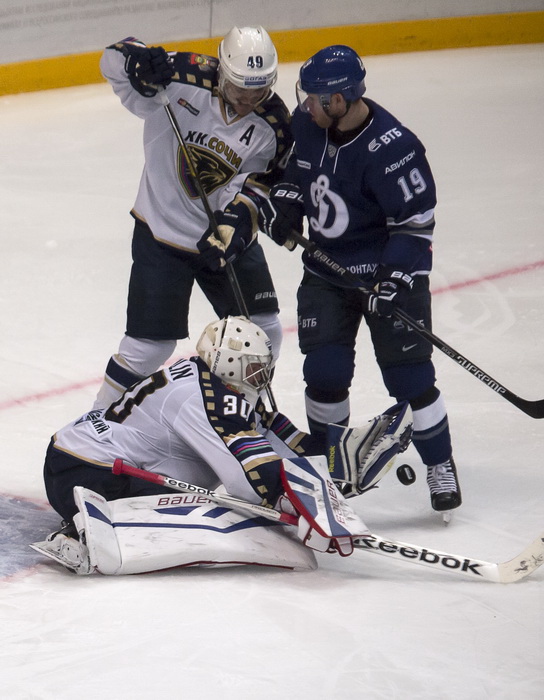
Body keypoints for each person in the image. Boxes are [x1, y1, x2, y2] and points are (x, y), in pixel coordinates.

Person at [33, 316, 412, 575]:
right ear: (228, 364)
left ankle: (95, 521)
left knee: (229, 499)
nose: (261, 376)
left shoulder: (219, 385)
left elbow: (288, 444)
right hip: (89, 475)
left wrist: (338, 459)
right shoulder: (206, 399)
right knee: (222, 511)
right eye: (253, 368)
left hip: (75, 457)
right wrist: (303, 505)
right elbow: (250, 483)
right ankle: (82, 531)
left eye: (264, 367)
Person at [258, 45, 461, 514]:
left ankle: (440, 464)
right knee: (324, 375)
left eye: (315, 98)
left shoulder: (395, 148)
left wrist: (392, 282)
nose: (306, 105)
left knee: (410, 378)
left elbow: (415, 224)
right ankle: (330, 474)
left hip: (386, 275)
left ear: (342, 99)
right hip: (326, 273)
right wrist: (286, 209)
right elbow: (296, 173)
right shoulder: (309, 124)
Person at [93, 27, 293, 410]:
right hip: (161, 233)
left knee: (263, 330)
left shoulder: (276, 124)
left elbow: (262, 182)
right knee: (148, 349)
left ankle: (241, 415)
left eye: (259, 92)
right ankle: (94, 424)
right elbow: (112, 59)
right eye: (240, 91)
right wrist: (137, 62)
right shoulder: (181, 76)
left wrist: (236, 222)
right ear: (222, 73)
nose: (249, 101)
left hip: (226, 238)